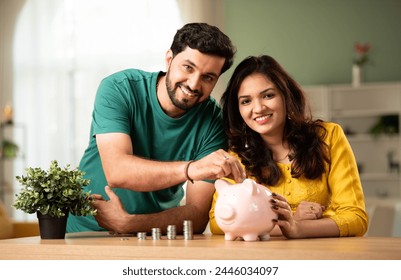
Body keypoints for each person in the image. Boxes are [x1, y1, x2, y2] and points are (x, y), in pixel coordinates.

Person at [66, 23, 246, 234]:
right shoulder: (119, 88)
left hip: (154, 235)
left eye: (208, 77)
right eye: (188, 67)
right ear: (169, 59)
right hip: (83, 232)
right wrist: (191, 169)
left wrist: (128, 224)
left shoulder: (213, 119)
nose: (194, 84)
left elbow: (196, 215)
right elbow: (117, 171)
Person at [209, 55, 368, 238]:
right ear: (238, 109)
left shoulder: (329, 137)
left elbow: (356, 217)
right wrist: (293, 221)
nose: (258, 108)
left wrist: (298, 229)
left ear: (286, 96)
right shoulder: (236, 157)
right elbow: (218, 222)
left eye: (268, 95)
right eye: (246, 101)